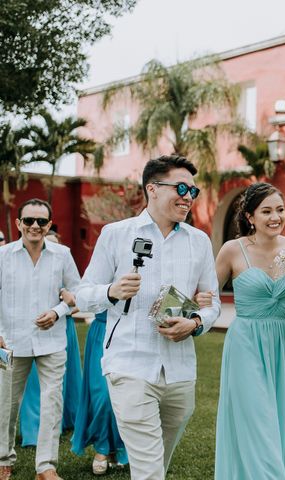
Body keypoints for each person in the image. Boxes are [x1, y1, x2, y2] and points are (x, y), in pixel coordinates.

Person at [75, 154, 221, 480]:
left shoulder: (199, 242)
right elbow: (83, 295)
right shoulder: (116, 234)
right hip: (129, 364)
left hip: (180, 371)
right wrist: (111, 291)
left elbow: (211, 304)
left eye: (193, 191)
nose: (188, 196)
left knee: (156, 465)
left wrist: (196, 323)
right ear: (152, 188)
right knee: (150, 470)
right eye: (181, 187)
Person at [214, 182, 285, 479]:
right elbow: (208, 296)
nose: (275, 217)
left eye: (280, 210)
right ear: (250, 216)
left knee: (282, 419)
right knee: (257, 422)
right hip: (245, 345)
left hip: (281, 345)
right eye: (266, 211)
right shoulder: (232, 250)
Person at [0, 199, 81, 480]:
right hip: (10, 342)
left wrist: (58, 312)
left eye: (41, 222)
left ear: (49, 225)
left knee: (51, 402)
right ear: (18, 223)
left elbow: (77, 292)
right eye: (29, 221)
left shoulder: (63, 254)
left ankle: (45, 467)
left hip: (52, 341)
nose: (35, 226)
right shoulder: (3, 256)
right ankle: (3, 459)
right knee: (6, 403)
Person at [19, 232, 83, 448]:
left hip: (64, 327)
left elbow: (77, 295)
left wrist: (64, 302)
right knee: (34, 382)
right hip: (31, 327)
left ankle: (68, 418)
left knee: (67, 376)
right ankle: (34, 430)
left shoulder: (63, 262)